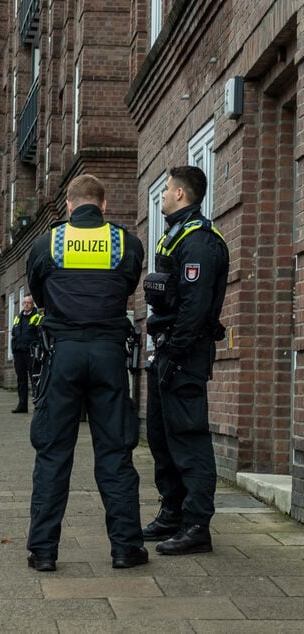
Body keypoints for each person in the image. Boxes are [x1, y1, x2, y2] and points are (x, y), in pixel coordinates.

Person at [25, 174, 146, 571]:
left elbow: (39, 293)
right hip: (110, 353)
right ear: (104, 205)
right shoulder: (126, 242)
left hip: (63, 353)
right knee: (115, 451)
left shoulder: (48, 242)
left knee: (53, 452)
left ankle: (44, 551)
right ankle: (126, 547)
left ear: (68, 206)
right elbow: (128, 285)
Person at [142, 165, 229, 555]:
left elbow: (194, 310)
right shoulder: (176, 236)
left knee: (189, 439)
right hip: (167, 351)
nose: (161, 196)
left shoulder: (200, 242)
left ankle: (197, 525)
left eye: (165, 190)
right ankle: (172, 513)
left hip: (184, 356)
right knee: (162, 438)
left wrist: (174, 355)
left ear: (180, 194)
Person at [10, 295, 41, 413]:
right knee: (21, 380)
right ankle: (22, 405)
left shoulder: (37, 317)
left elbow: (39, 336)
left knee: (34, 379)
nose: (26, 305)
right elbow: (14, 334)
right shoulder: (18, 318)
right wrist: (14, 349)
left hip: (31, 353)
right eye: (24, 303)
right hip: (18, 353)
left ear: (32, 304)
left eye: (28, 303)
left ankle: (37, 404)